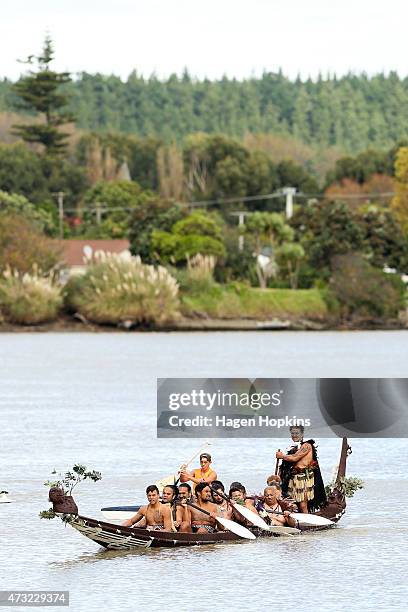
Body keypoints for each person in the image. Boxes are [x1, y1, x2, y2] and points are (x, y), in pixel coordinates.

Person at [276, 425, 326, 513]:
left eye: (297, 433)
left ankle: (307, 522)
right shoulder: (296, 447)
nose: (294, 435)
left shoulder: (307, 445)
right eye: (292, 433)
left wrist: (282, 456)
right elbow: (292, 458)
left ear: (302, 434)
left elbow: (295, 458)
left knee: (303, 504)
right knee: (292, 501)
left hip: (304, 478)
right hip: (295, 478)